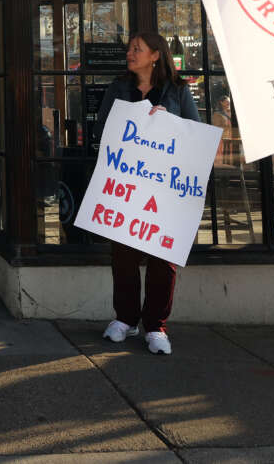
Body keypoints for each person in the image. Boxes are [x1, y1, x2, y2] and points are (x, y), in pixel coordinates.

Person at [93, 31, 200, 356]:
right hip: (127, 187)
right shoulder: (118, 88)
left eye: (137, 49)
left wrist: (170, 123)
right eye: (130, 49)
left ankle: (156, 325)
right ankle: (125, 318)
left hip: (165, 187)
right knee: (122, 255)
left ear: (155, 55)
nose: (130, 53)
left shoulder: (178, 91)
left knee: (162, 259)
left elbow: (194, 133)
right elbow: (100, 130)